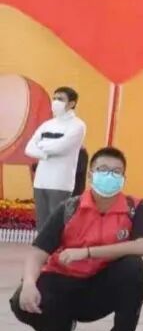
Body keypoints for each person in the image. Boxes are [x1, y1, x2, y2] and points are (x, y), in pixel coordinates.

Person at [10, 147, 143, 331]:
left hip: (103, 287)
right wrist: (28, 283)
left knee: (134, 269)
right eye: (103, 170)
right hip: (65, 282)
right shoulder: (70, 208)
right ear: (91, 174)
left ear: (124, 178)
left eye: (116, 172)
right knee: (21, 301)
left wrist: (87, 252)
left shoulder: (135, 207)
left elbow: (142, 246)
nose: (109, 176)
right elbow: (38, 252)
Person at [24, 86, 87, 232]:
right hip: (40, 181)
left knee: (58, 224)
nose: (55, 102)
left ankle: (58, 247)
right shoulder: (47, 124)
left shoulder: (78, 125)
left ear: (71, 103)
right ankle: (42, 247)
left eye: (60, 99)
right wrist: (46, 153)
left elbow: (60, 147)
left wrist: (41, 146)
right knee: (42, 224)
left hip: (61, 183)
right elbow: (29, 148)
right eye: (54, 98)